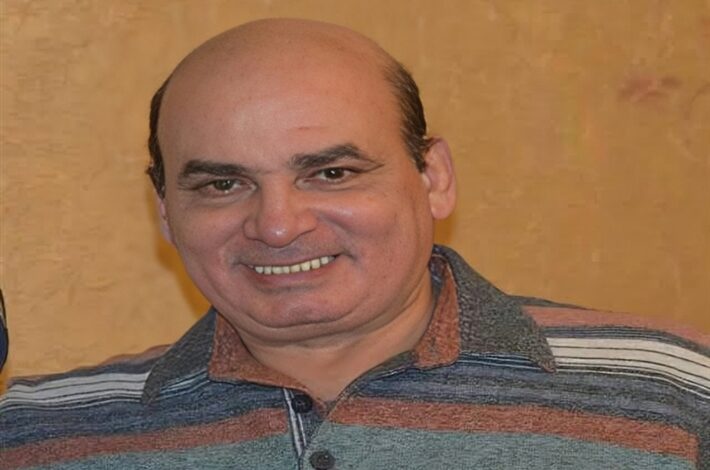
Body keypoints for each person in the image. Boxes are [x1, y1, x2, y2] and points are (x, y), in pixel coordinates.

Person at [0, 18, 708, 470]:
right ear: (165, 212)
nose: (278, 225)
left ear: (433, 177)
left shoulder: (676, 394)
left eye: (331, 173)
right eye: (222, 184)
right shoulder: (40, 433)